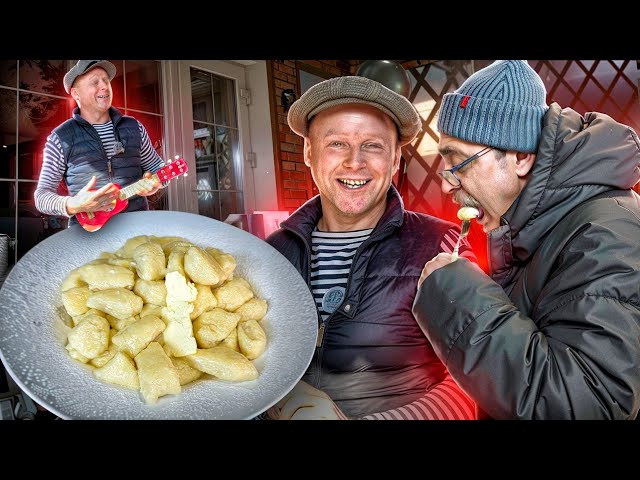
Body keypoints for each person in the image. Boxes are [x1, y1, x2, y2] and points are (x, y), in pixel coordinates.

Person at [412, 60, 640, 420]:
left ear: (519, 156)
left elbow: (588, 403)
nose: (445, 184)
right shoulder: (539, 228)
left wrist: (454, 293)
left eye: (458, 163)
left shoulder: (605, 234)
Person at [265, 74, 478, 420]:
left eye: (373, 146)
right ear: (308, 152)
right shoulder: (271, 254)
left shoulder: (443, 247)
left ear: (395, 159)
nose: (354, 162)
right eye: (336, 143)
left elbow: (480, 384)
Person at [34, 60, 165, 225]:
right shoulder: (60, 138)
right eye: (95, 82)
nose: (104, 86)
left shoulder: (134, 127)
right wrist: (74, 204)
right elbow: (41, 197)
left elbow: (158, 170)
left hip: (137, 230)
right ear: (76, 94)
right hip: (87, 236)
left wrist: (155, 182)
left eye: (106, 81)